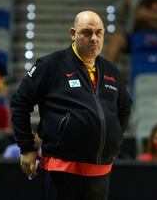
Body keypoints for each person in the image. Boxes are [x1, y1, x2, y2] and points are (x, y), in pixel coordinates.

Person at [11, 11, 131, 200]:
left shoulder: (110, 70)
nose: (94, 38)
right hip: (61, 170)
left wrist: (113, 137)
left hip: (100, 173)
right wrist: (26, 148)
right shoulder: (51, 65)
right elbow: (20, 102)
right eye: (87, 32)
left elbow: (124, 108)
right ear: (73, 34)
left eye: (99, 33)